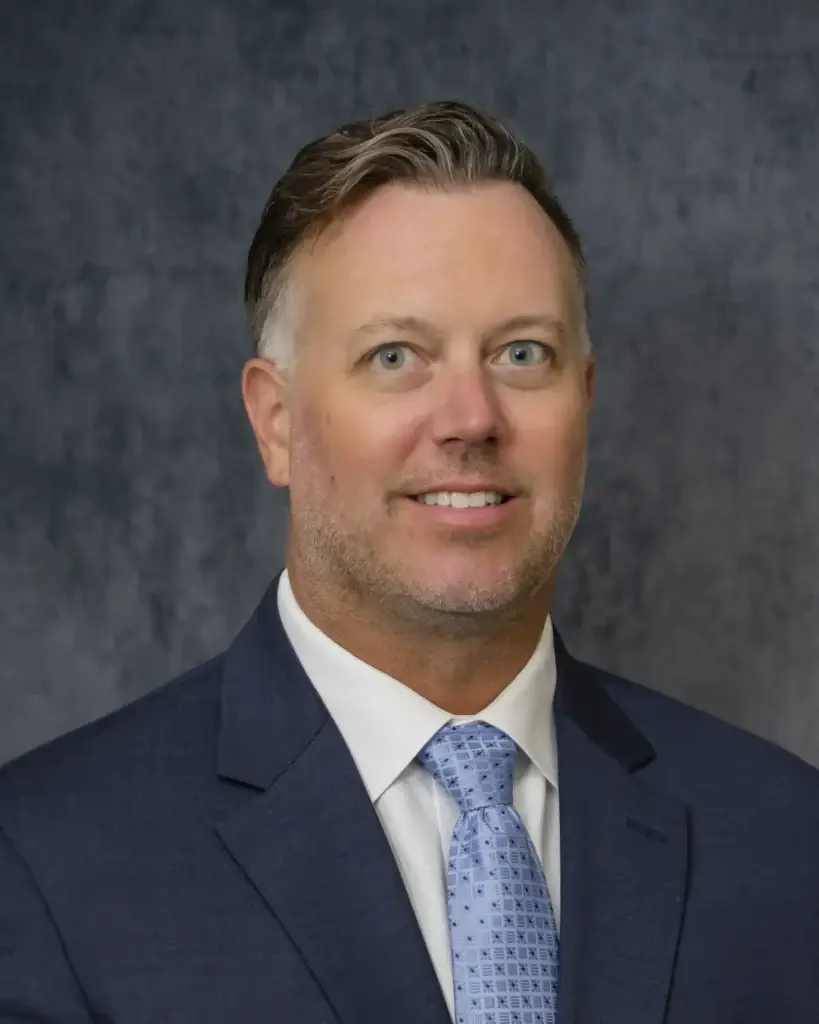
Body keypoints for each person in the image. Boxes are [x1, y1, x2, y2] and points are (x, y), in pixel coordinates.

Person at [0, 100, 817, 1024]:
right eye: (396, 356)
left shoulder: (785, 839)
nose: (470, 417)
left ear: (583, 401)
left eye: (521, 353)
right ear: (275, 423)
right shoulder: (43, 866)